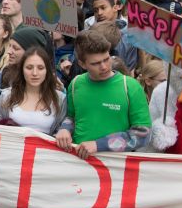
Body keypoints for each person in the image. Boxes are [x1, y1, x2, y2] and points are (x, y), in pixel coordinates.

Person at [55, 29, 151, 158]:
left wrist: (98, 144)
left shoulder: (130, 86)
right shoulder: (76, 83)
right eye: (96, 63)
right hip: (78, 162)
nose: (104, 66)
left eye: (106, 59)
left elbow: (143, 134)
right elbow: (71, 117)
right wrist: (65, 129)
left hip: (114, 166)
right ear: (82, 64)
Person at [0, 46, 67, 135]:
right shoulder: (6, 96)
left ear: (47, 71)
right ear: (22, 70)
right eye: (29, 67)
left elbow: (63, 130)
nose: (34, 73)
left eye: (40, 68)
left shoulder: (60, 99)